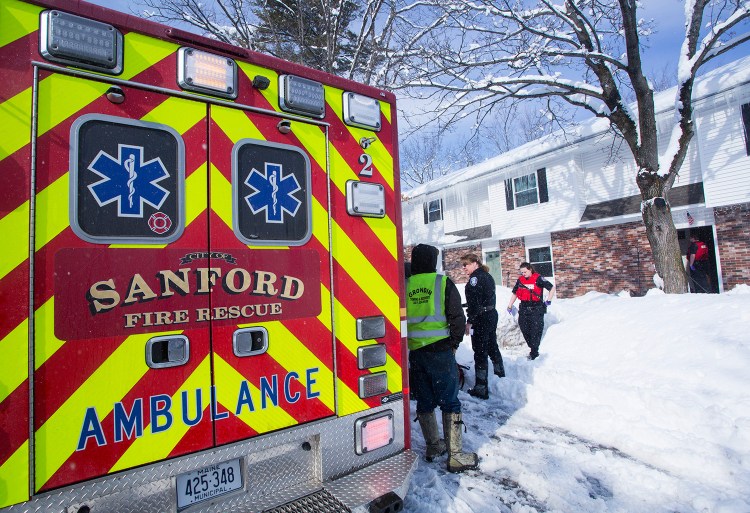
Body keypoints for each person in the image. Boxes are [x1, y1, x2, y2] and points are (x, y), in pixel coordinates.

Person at [406, 244, 479, 473]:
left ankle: (433, 447)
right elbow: (457, 317)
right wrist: (454, 344)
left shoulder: (404, 285)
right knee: (450, 401)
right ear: (433, 261)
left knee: (425, 401)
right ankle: (456, 455)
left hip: (416, 353)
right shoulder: (442, 283)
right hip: (440, 351)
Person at [461, 253, 505, 400]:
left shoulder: (474, 279)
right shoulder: (487, 276)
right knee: (492, 346)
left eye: (466, 264)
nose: (464, 268)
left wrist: (469, 321)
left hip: (480, 319)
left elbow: (475, 303)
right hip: (491, 314)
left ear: (475, 263)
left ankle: (481, 387)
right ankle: (501, 375)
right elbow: (484, 298)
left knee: (480, 352)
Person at [506, 262, 556, 360]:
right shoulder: (520, 280)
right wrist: (510, 305)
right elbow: (515, 293)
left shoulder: (538, 278)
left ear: (530, 270)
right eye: (522, 272)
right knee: (524, 328)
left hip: (536, 309)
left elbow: (552, 288)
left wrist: (548, 301)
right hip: (524, 308)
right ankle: (532, 347)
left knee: (535, 330)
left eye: (525, 272)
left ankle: (534, 352)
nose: (523, 274)